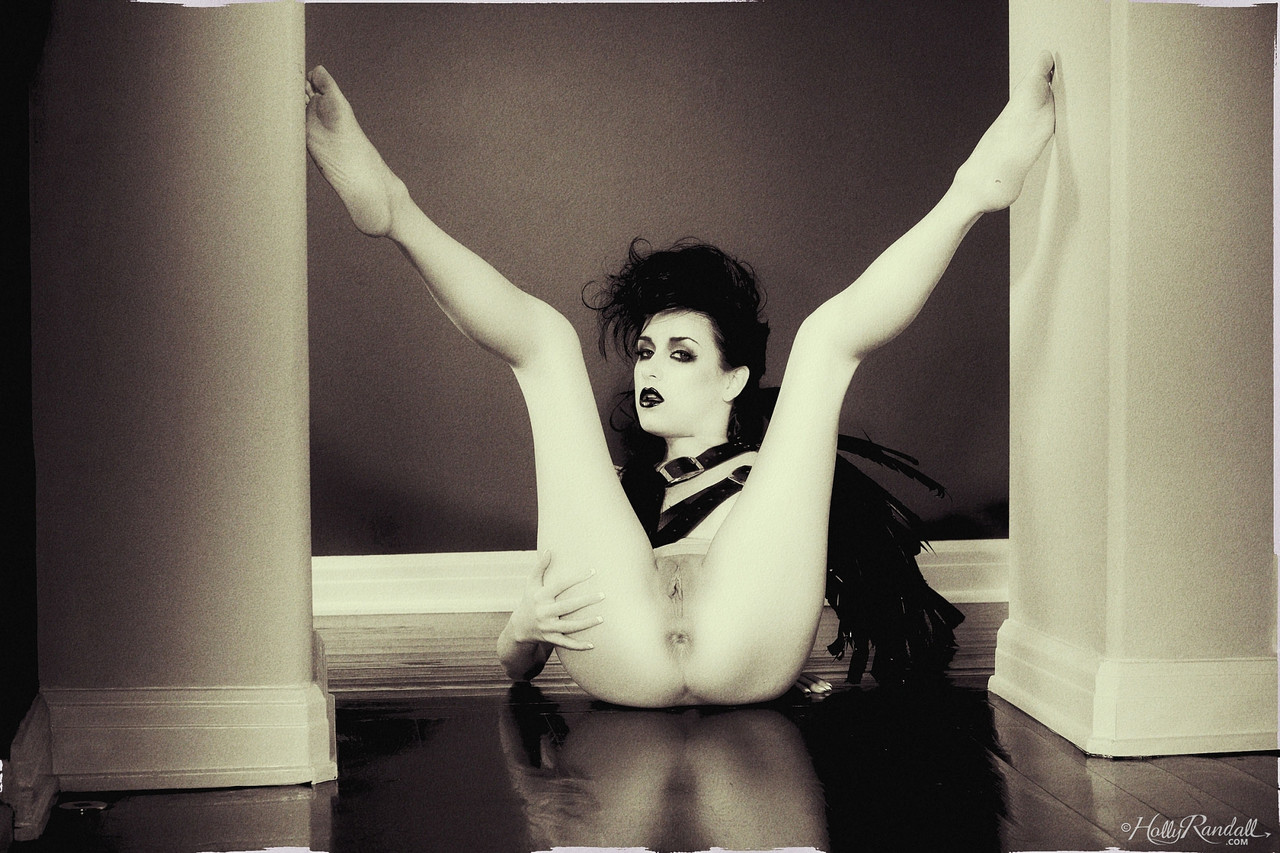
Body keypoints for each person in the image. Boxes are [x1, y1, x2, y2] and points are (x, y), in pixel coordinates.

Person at [304, 52, 1056, 708]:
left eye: (682, 353)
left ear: (734, 380)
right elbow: (517, 666)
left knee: (825, 343)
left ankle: (973, 190)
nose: (650, 367)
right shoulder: (620, 497)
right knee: (548, 345)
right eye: (645, 351)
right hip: (625, 654)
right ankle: (392, 209)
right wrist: (522, 628)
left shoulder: (776, 476)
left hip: (745, 644)